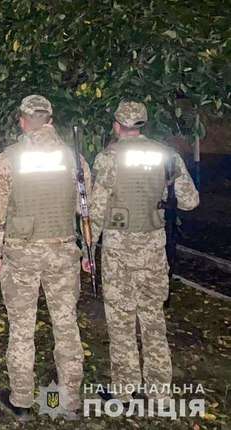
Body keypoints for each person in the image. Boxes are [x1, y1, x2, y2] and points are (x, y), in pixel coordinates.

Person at [89, 101, 199, 407]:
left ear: (117, 125)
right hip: (153, 249)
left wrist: (88, 249)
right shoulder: (166, 155)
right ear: (142, 125)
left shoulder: (108, 157)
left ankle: (124, 391)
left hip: (118, 252)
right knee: (153, 319)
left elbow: (96, 209)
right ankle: (160, 392)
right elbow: (190, 201)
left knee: (121, 320)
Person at [0, 95, 88, 421]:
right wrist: (88, 249)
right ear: (50, 120)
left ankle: (21, 401)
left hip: (21, 255)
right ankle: (68, 401)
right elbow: (86, 208)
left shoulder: (8, 159)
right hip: (63, 252)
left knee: (21, 328)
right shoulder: (73, 158)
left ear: (22, 121)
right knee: (66, 326)